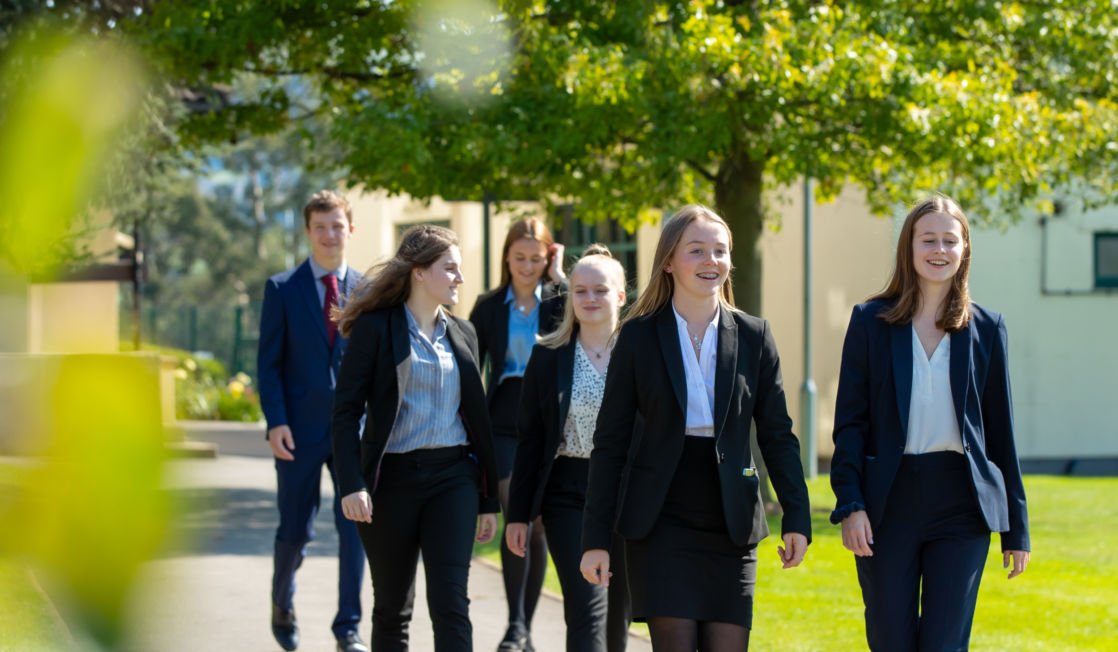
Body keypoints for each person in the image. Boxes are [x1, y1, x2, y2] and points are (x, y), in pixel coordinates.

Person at [580, 205, 811, 651]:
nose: (712, 261)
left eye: (720, 251)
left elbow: (777, 434)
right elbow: (609, 444)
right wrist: (595, 540)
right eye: (697, 250)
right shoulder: (638, 337)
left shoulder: (755, 335)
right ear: (669, 261)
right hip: (661, 516)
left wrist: (797, 516)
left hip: (730, 518)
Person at [829, 195, 1031, 651]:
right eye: (928, 240)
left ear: (964, 250)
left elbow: (1001, 433)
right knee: (891, 639)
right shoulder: (869, 322)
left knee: (944, 644)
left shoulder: (987, 328)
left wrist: (1016, 528)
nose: (939, 250)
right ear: (909, 247)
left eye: (949, 240)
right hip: (888, 502)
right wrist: (851, 504)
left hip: (961, 501)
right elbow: (850, 426)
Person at [331, 224, 500, 652]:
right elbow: (346, 412)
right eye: (450, 268)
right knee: (392, 606)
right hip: (391, 482)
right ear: (419, 273)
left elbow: (479, 422)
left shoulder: (464, 333)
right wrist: (352, 483)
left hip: (453, 479)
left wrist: (487, 501)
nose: (460, 278)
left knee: (450, 603)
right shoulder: (375, 329)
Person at [506, 245, 632, 652]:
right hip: (569, 492)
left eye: (600, 290)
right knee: (585, 604)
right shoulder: (548, 357)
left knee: (619, 611)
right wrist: (519, 516)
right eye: (580, 291)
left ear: (620, 296)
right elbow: (530, 442)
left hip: (630, 492)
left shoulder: (642, 355)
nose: (590, 299)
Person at [258, 190, 367, 652]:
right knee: (295, 530)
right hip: (297, 432)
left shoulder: (369, 290)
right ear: (308, 231)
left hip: (353, 434)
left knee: (354, 529)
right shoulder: (282, 288)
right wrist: (276, 421)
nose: (328, 235)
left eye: (336, 225)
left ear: (350, 229)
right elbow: (269, 364)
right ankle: (282, 602)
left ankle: (348, 629)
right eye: (320, 226)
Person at [468, 218, 566, 651]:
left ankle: (523, 628)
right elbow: (472, 370)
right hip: (504, 415)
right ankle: (515, 625)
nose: (527, 266)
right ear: (506, 256)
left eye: (537, 258)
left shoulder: (560, 301)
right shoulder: (488, 307)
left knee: (539, 521)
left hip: (547, 418)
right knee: (515, 508)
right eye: (520, 257)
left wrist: (561, 279)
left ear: (548, 257)